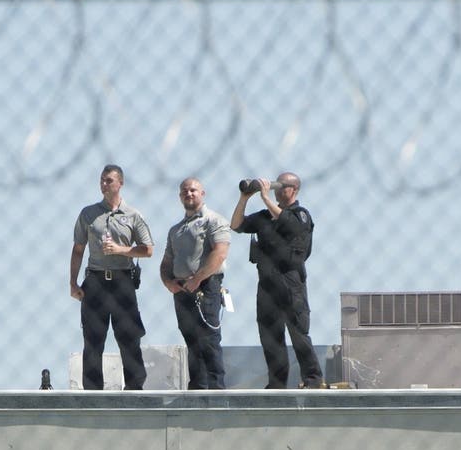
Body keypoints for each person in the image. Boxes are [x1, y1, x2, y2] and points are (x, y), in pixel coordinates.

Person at [231, 172, 325, 389]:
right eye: (276, 187)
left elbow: (290, 225)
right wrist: (244, 197)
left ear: (295, 190)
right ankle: (277, 382)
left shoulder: (300, 214)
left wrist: (265, 198)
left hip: (290, 282)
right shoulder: (265, 217)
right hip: (266, 284)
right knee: (270, 336)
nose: (277, 191)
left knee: (298, 333)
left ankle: (313, 379)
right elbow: (236, 225)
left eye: (283, 187)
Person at [70, 164, 154, 390]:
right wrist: (73, 282)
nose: (104, 184)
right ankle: (93, 390)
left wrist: (121, 250)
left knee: (128, 336)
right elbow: (78, 248)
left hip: (122, 281)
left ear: (120, 183)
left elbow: (147, 249)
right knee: (93, 338)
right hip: (95, 280)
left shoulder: (133, 215)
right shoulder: (88, 214)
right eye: (101, 180)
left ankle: (135, 386)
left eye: (108, 180)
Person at [159, 177, 230, 390]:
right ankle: (198, 387)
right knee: (191, 338)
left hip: (206, 287)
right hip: (181, 290)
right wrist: (169, 283)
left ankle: (217, 388)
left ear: (202, 193)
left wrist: (197, 279)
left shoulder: (214, 220)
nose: (189, 194)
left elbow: (220, 253)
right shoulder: (176, 230)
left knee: (209, 338)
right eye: (184, 191)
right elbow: (166, 262)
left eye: (193, 190)